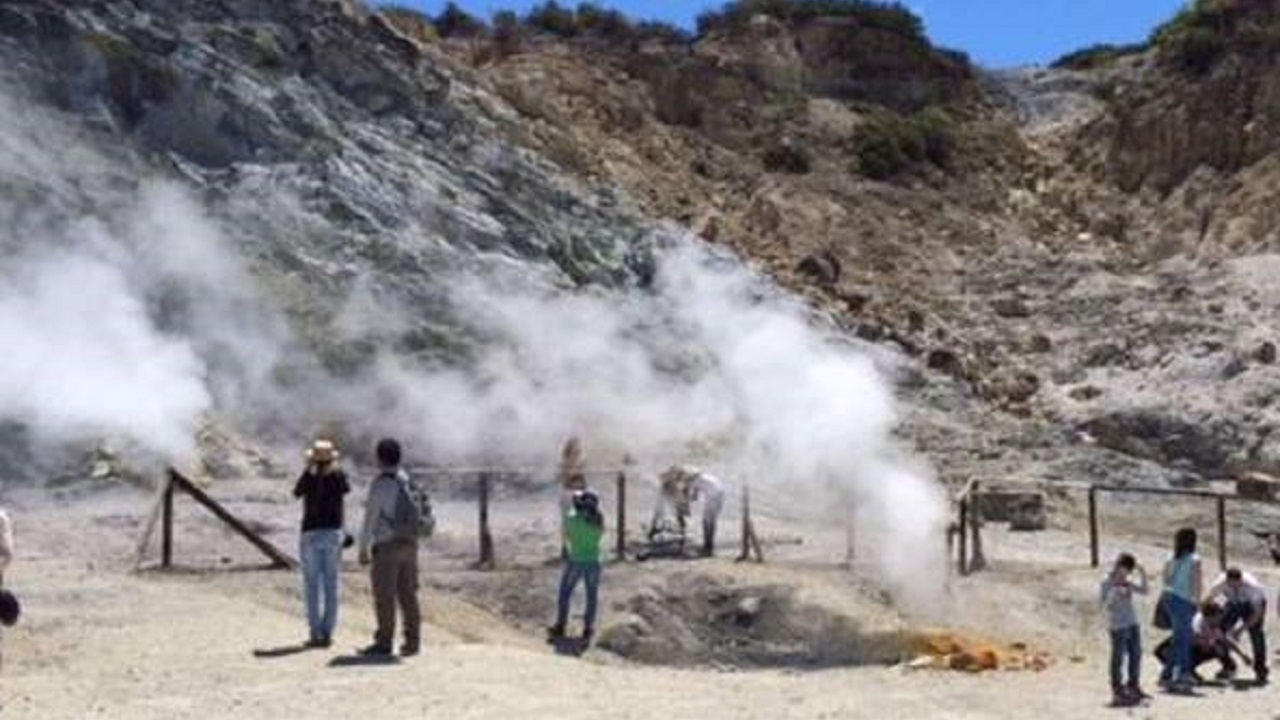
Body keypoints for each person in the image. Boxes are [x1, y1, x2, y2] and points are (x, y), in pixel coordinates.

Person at [357, 438, 422, 657]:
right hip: (410, 544)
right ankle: (412, 642)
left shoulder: (381, 483)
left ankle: (384, 642)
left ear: (380, 458)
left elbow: (370, 518)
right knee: (408, 595)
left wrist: (363, 548)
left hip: (387, 546)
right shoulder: (407, 479)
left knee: (385, 596)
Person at [293, 439, 350, 648]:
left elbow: (296, 492)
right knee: (331, 585)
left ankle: (315, 633)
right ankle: (327, 633)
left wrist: (308, 469)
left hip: (310, 533)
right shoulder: (338, 476)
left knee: (312, 587)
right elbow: (345, 496)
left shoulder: (309, 477)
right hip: (332, 534)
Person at [548, 490, 604, 644]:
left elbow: (567, 533)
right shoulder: (598, 521)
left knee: (565, 593)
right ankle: (588, 628)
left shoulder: (572, 520)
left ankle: (561, 625)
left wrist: (572, 504)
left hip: (576, 561)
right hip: (593, 562)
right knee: (591, 596)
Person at [1158, 527, 1203, 692]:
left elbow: (1166, 579)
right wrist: (1198, 604)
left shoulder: (1170, 557)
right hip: (1184, 600)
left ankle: (1167, 674)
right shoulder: (1194, 559)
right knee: (1185, 639)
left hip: (1168, 598)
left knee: (1178, 638)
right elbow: (1196, 584)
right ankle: (1183, 674)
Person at [1101, 552, 1149, 705]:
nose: (1126, 574)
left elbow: (1145, 591)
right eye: (1125, 570)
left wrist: (1143, 573)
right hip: (1117, 625)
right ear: (1119, 566)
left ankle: (1133, 686)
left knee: (1136, 655)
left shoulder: (1126, 581)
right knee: (1118, 659)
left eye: (1129, 571)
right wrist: (1115, 591)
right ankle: (1117, 690)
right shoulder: (1107, 581)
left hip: (1132, 622)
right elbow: (1104, 605)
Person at [1206, 566, 1268, 684]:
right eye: (1231, 585)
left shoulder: (1253, 587)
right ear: (1227, 581)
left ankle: (1260, 670)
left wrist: (1240, 629)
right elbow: (1207, 600)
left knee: (1256, 634)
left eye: (1238, 585)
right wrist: (1207, 620)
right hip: (1234, 603)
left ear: (1241, 580)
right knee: (1218, 630)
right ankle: (1228, 666)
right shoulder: (1220, 583)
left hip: (1252, 606)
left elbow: (1257, 614)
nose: (1235, 587)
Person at [1155, 602, 1234, 684]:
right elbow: (1193, 638)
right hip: (1167, 649)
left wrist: (1243, 656)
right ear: (1210, 616)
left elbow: (1225, 639)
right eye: (1218, 617)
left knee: (1220, 647)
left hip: (1186, 647)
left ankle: (1188, 671)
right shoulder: (1198, 621)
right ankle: (1182, 673)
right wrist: (1211, 644)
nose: (1219, 619)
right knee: (1193, 650)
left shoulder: (1212, 624)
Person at [689, 470, 725, 557]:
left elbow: (694, 497)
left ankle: (707, 547)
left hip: (713, 496)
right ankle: (709, 546)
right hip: (720, 494)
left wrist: (686, 499)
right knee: (712, 521)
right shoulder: (706, 477)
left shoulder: (696, 481)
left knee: (706, 522)